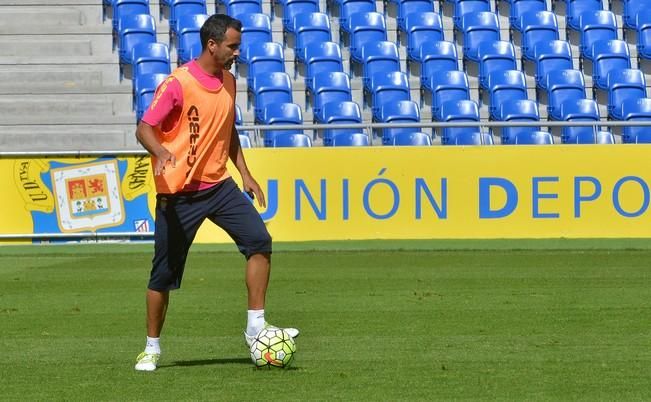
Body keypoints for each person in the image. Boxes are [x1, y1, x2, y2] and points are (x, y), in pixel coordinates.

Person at [133, 14, 298, 372]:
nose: (238, 52)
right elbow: (144, 128)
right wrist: (160, 152)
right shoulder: (178, 84)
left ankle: (256, 328)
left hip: (218, 186)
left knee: (259, 241)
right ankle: (151, 347)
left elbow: (227, 128)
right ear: (212, 45)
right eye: (232, 46)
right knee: (163, 275)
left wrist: (246, 174)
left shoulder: (228, 81)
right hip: (179, 194)